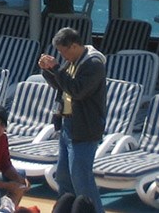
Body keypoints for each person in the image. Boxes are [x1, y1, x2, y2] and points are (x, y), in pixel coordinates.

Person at [39, 27, 108, 213]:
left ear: (75, 45)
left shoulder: (93, 64)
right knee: (64, 177)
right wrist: (48, 71)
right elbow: (62, 86)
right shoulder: (73, 61)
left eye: (63, 51)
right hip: (68, 126)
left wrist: (55, 68)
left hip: (84, 128)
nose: (62, 55)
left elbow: (77, 91)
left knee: (81, 180)